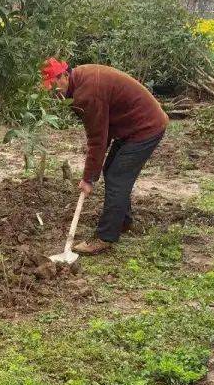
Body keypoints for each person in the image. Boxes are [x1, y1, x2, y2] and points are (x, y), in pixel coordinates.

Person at [42, 59, 168, 256]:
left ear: (64, 75)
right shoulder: (80, 79)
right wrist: (93, 174)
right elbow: (103, 131)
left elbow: (98, 139)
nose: (53, 92)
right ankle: (122, 222)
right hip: (130, 126)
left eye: (54, 85)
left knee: (118, 178)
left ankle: (105, 237)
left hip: (144, 127)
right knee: (112, 171)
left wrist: (88, 178)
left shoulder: (87, 94)